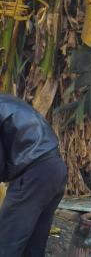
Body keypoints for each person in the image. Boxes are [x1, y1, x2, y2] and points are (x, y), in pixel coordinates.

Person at [0, 94, 67, 257]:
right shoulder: (7, 100)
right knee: (33, 245)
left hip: (34, 173)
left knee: (7, 242)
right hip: (55, 168)